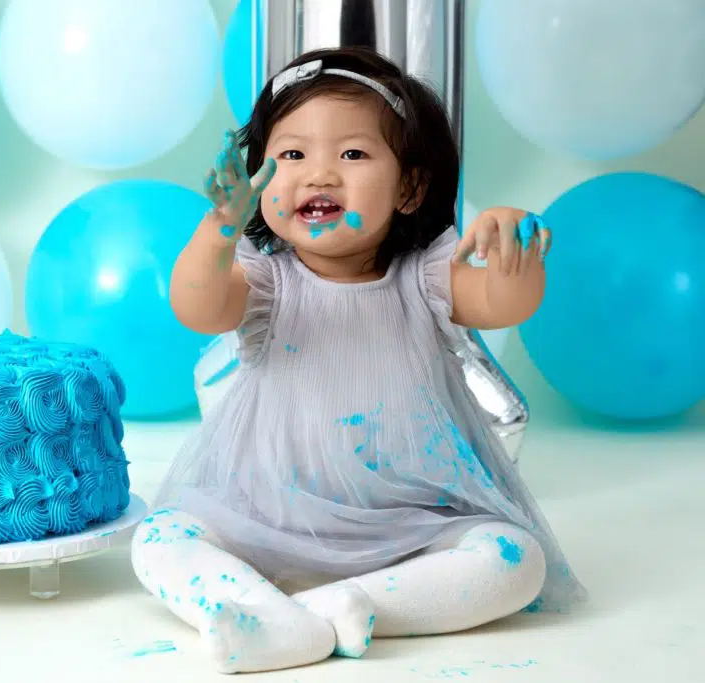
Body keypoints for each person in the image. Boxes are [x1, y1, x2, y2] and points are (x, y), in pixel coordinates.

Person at [130, 46, 586, 674]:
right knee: (160, 539)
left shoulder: (424, 276)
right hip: (268, 516)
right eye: (291, 155)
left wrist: (516, 255)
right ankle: (268, 606)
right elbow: (198, 308)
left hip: (409, 524)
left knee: (515, 559)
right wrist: (218, 229)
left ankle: (332, 608)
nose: (318, 175)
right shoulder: (266, 281)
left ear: (409, 187)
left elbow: (500, 302)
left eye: (352, 154)